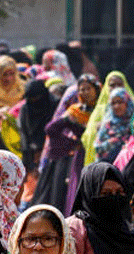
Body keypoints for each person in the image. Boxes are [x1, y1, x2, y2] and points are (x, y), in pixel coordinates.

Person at [33, 73, 99, 216]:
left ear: (97, 89)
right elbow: (51, 128)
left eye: (88, 88)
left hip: (98, 155)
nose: (84, 92)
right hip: (81, 156)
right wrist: (72, 143)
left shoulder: (102, 110)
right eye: (81, 89)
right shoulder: (75, 111)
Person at [82, 70, 134, 164]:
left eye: (120, 102)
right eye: (112, 85)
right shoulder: (105, 118)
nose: (117, 106)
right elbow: (94, 142)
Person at [93, 88, 134, 164]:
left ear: (127, 102)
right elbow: (97, 147)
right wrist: (112, 142)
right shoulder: (108, 124)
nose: (116, 106)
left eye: (120, 102)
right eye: (113, 103)